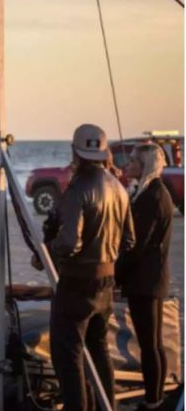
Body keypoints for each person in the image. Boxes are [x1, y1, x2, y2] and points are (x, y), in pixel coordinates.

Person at [41, 124, 135, 411]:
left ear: (75, 152)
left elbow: (70, 243)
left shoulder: (78, 189)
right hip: (106, 280)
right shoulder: (118, 187)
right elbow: (130, 239)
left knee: (67, 354)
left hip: (77, 283)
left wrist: (47, 253)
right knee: (99, 349)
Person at [116, 143, 174, 411]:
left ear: (146, 165)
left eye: (134, 161)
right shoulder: (149, 192)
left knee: (150, 344)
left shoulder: (153, 196)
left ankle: (153, 400)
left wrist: (116, 274)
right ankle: (156, 397)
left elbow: (137, 245)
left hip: (147, 281)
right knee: (152, 343)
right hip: (148, 279)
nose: (128, 165)